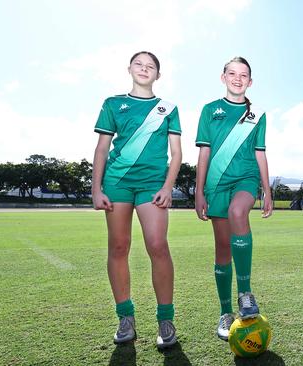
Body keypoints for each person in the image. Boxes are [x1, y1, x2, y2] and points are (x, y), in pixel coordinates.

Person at [92, 51, 182, 349]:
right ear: (129, 69)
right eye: (139, 64)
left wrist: (168, 187)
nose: (144, 69)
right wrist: (96, 188)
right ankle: (125, 317)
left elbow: (177, 153)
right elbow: (102, 149)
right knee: (119, 247)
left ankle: (165, 320)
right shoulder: (113, 103)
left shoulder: (168, 108)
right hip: (116, 183)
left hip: (152, 184)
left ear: (159, 74)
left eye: (151, 66)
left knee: (157, 245)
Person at [194, 56, 273, 342]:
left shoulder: (258, 115)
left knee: (238, 212)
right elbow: (203, 152)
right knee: (222, 249)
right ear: (223, 77)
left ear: (250, 82)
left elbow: (260, 153)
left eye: (244, 75)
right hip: (216, 183)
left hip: (245, 178)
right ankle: (225, 312)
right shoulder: (209, 110)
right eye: (232, 73)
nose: (238, 78)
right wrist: (199, 190)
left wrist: (266, 190)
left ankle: (245, 295)